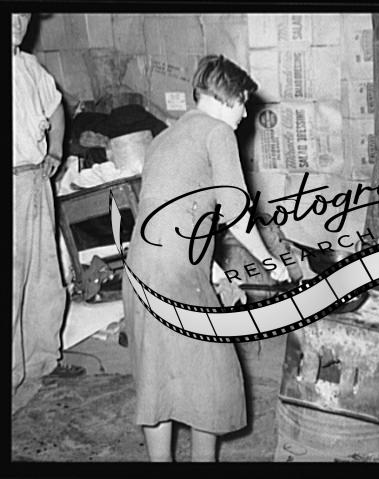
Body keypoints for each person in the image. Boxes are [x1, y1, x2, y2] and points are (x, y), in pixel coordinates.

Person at [122, 54, 290, 462]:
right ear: (227, 97)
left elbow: (172, 216)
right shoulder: (218, 132)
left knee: (159, 380)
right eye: (243, 103)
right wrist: (271, 262)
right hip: (172, 275)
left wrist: (212, 272)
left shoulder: (165, 137)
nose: (245, 114)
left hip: (140, 271)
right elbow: (235, 213)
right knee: (213, 378)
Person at [12, 12, 85, 394]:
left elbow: (56, 107)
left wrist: (56, 149)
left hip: (36, 180)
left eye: (23, 14)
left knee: (43, 277)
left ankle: (43, 361)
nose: (17, 22)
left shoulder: (28, 66)